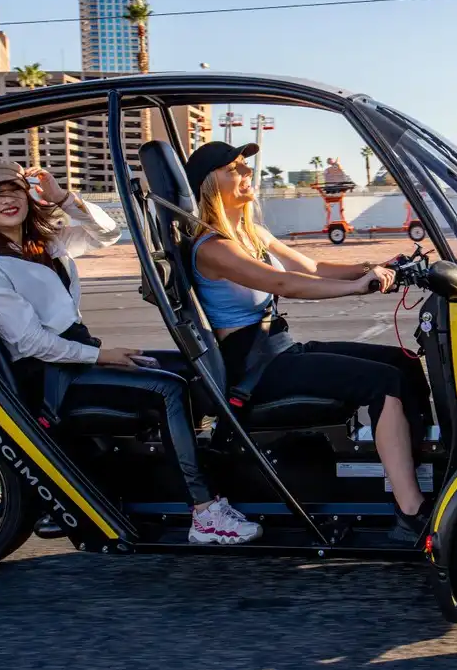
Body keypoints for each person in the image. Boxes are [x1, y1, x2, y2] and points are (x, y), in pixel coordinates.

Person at [0, 157, 261, 544]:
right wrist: (104, 356)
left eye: (14, 190)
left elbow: (107, 232)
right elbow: (31, 343)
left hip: (80, 357)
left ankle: (202, 473)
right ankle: (204, 513)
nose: (7, 200)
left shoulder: (46, 243)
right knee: (167, 388)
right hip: (52, 376)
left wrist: (62, 197)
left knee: (196, 369)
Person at [184, 141, 434, 542]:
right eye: (233, 169)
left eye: (245, 166)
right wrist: (357, 287)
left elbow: (313, 266)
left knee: (403, 361)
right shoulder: (213, 247)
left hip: (280, 348)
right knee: (383, 383)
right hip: (254, 368)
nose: (246, 173)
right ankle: (410, 511)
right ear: (209, 185)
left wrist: (374, 267)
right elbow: (286, 283)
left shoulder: (251, 232)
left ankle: (425, 472)